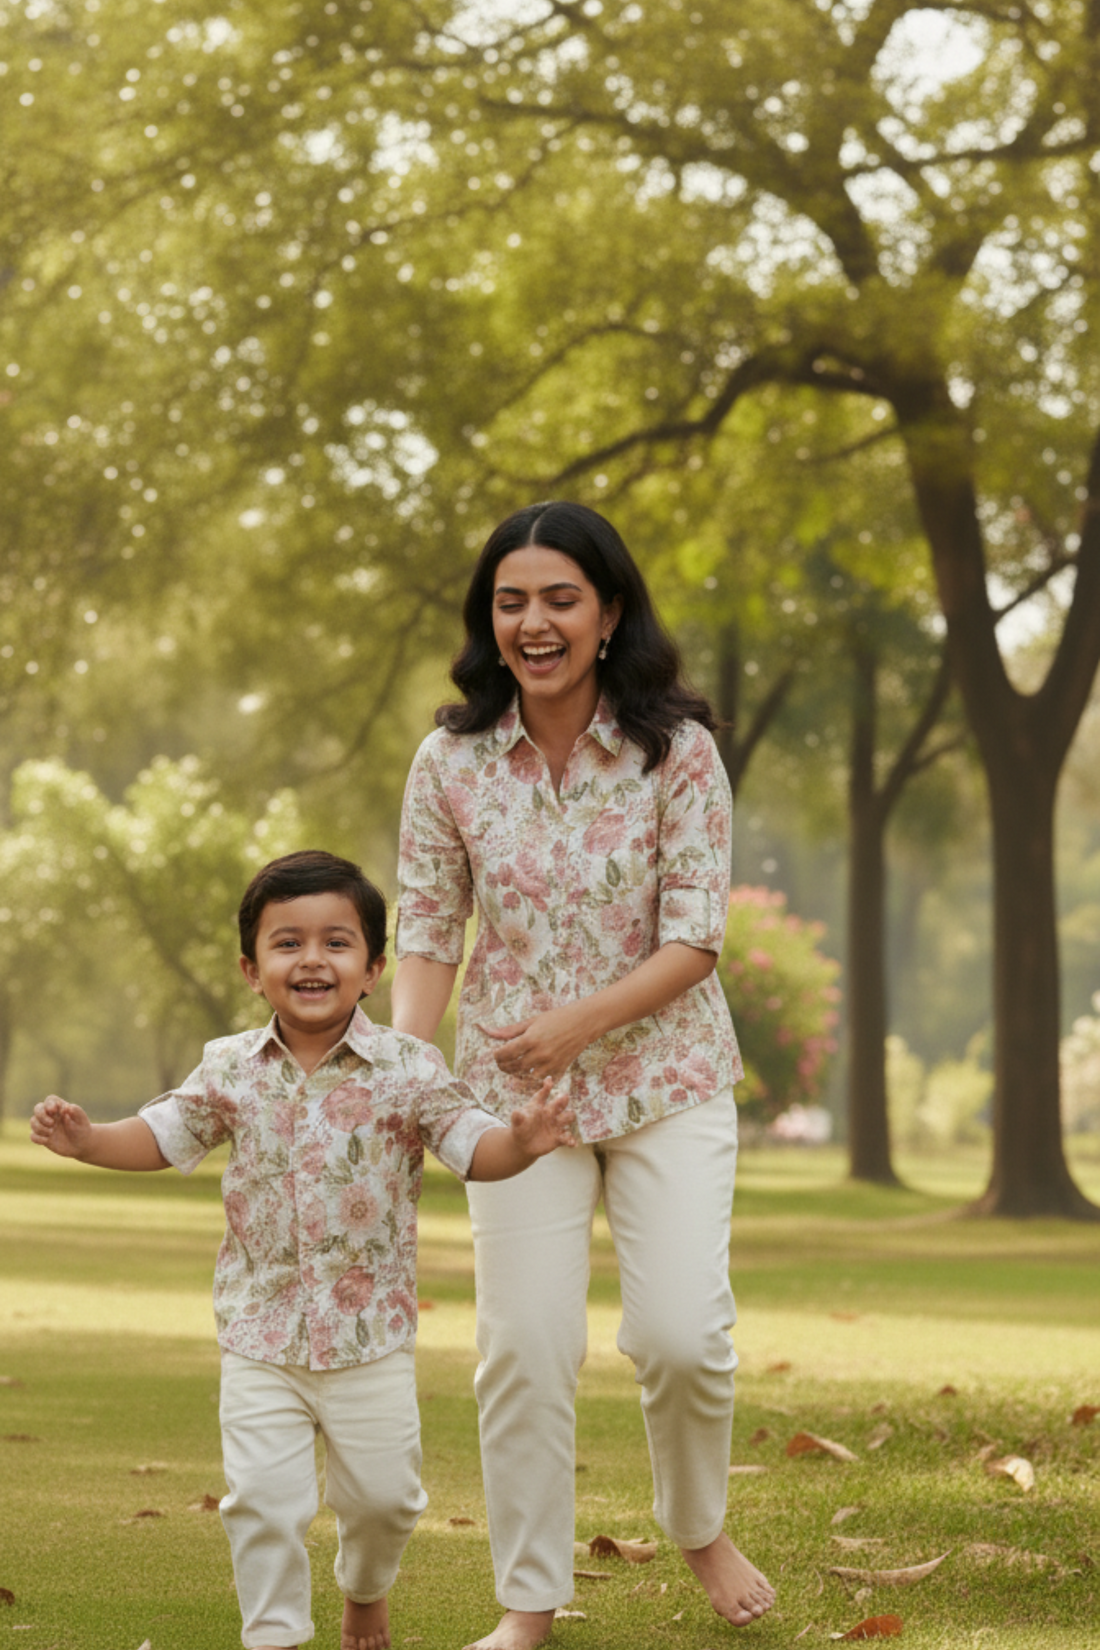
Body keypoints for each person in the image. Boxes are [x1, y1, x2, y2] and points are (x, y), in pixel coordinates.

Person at [392, 502, 776, 1650]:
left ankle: (696, 1525)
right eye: (511, 602)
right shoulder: (448, 761)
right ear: (489, 621)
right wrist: (412, 1074)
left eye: (560, 598)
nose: (534, 622)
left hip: (668, 1080)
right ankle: (527, 1604)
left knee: (680, 1337)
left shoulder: (680, 754)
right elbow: (424, 929)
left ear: (608, 614)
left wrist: (572, 1029)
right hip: (513, 1107)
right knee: (523, 1347)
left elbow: (694, 938)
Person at [30, 849, 575, 1650]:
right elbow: (159, 1136)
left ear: (374, 967)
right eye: (287, 943)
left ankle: (365, 1591)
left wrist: (521, 1144)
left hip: (371, 1341)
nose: (312, 959)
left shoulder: (409, 1069)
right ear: (252, 969)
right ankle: (275, 1635)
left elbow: (472, 1146)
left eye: (336, 942)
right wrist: (88, 1140)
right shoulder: (228, 1070)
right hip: (260, 1337)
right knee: (262, 1501)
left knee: (385, 1502)